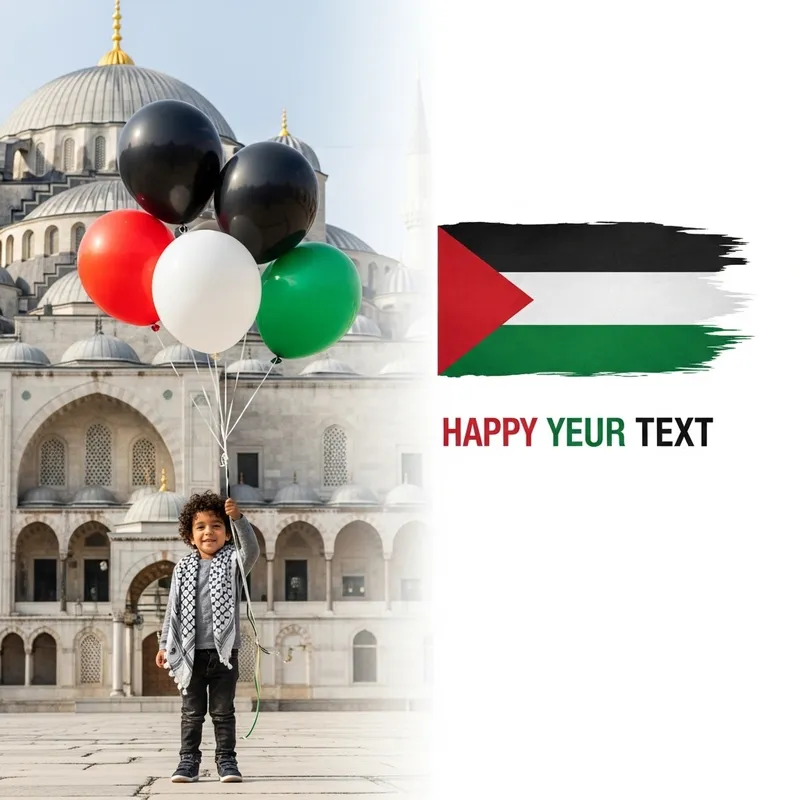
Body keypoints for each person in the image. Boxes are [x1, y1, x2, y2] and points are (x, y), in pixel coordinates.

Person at [156, 491, 260, 783]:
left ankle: (227, 762)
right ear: (190, 535)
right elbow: (172, 611)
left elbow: (251, 550)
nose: (208, 532)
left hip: (224, 653)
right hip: (190, 653)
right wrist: (165, 644)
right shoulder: (182, 568)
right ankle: (188, 762)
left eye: (216, 526)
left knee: (223, 711)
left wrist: (238, 519)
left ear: (226, 534)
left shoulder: (233, 564)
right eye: (200, 526)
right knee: (191, 713)